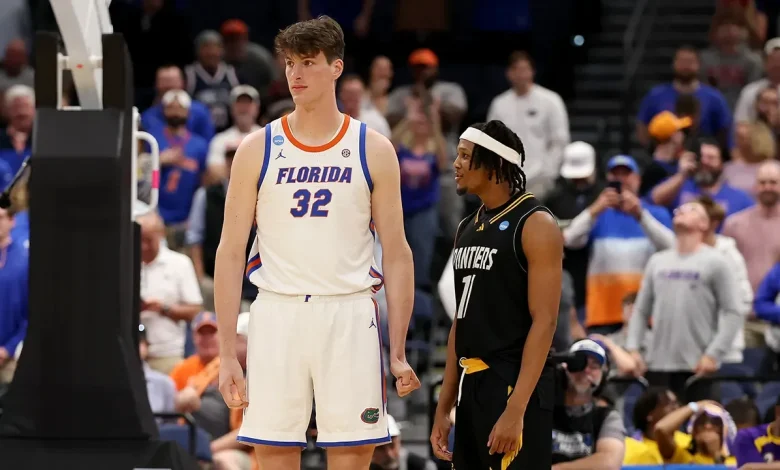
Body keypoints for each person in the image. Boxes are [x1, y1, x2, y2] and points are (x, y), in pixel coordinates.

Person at [214, 16, 420, 470]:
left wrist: (400, 349)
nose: (296, 75)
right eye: (290, 63)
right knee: (270, 453)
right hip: (276, 312)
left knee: (352, 455)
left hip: (348, 313)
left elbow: (399, 252)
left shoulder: (373, 148)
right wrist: (228, 352)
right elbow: (229, 252)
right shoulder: (256, 148)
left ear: (336, 68)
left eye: (308, 62)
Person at [429, 120, 563, 469]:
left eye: (464, 156)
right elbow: (462, 319)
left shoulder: (535, 223)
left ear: (493, 163)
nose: (455, 164)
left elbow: (545, 322)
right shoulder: (466, 226)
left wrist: (516, 408)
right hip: (471, 383)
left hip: (513, 383)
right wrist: (444, 406)